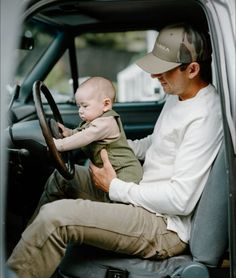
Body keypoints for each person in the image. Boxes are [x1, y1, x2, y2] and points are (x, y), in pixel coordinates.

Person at [7, 22, 223, 278]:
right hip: (143, 195)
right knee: (63, 179)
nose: (155, 76)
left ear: (192, 69)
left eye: (163, 70)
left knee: (56, 217)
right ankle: (29, 258)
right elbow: (156, 143)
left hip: (164, 226)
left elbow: (180, 199)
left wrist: (115, 188)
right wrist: (105, 143)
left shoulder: (206, 115)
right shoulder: (179, 96)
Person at [53, 76, 143, 184]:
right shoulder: (95, 121)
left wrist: (58, 145)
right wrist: (69, 133)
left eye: (85, 106)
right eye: (78, 106)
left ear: (106, 104)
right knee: (59, 178)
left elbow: (85, 137)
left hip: (126, 175)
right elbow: (83, 132)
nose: (80, 111)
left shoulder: (106, 123)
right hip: (113, 173)